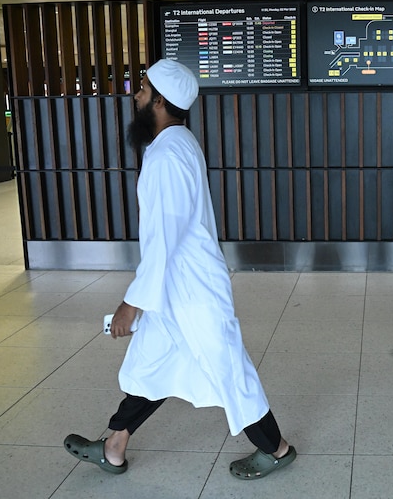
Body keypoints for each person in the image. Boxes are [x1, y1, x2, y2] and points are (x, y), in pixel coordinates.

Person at [63, 59, 296, 480]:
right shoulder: (174, 143)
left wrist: (130, 306)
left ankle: (276, 449)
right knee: (153, 361)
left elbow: (162, 241)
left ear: (160, 100)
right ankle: (114, 446)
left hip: (193, 290)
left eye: (143, 88)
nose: (136, 94)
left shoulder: (169, 155)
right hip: (175, 288)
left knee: (229, 369)